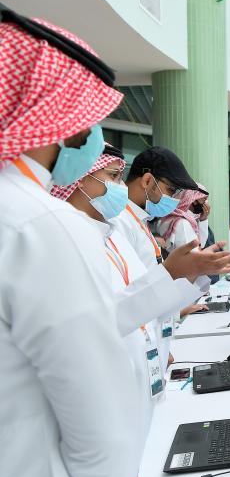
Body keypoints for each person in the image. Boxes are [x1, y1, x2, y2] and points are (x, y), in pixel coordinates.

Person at [0, 8, 143, 477]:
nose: (89, 135)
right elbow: (92, 396)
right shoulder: (38, 222)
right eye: (85, 119)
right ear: (52, 115)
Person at [50, 145, 203, 437]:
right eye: (113, 176)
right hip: (107, 401)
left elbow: (140, 294)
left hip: (140, 375)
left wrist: (159, 345)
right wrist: (174, 273)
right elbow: (101, 324)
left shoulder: (110, 232)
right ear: (79, 179)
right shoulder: (69, 241)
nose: (120, 187)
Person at [111, 147, 230, 364]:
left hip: (153, 332)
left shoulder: (139, 220)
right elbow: (129, 300)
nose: (175, 199)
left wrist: (196, 271)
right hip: (137, 342)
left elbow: (149, 288)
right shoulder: (120, 222)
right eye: (171, 190)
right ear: (147, 181)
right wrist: (184, 270)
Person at [156, 185, 210, 253]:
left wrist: (203, 219)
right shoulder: (183, 223)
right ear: (193, 199)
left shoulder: (170, 217)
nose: (206, 204)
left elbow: (200, 244)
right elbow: (193, 252)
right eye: (204, 199)